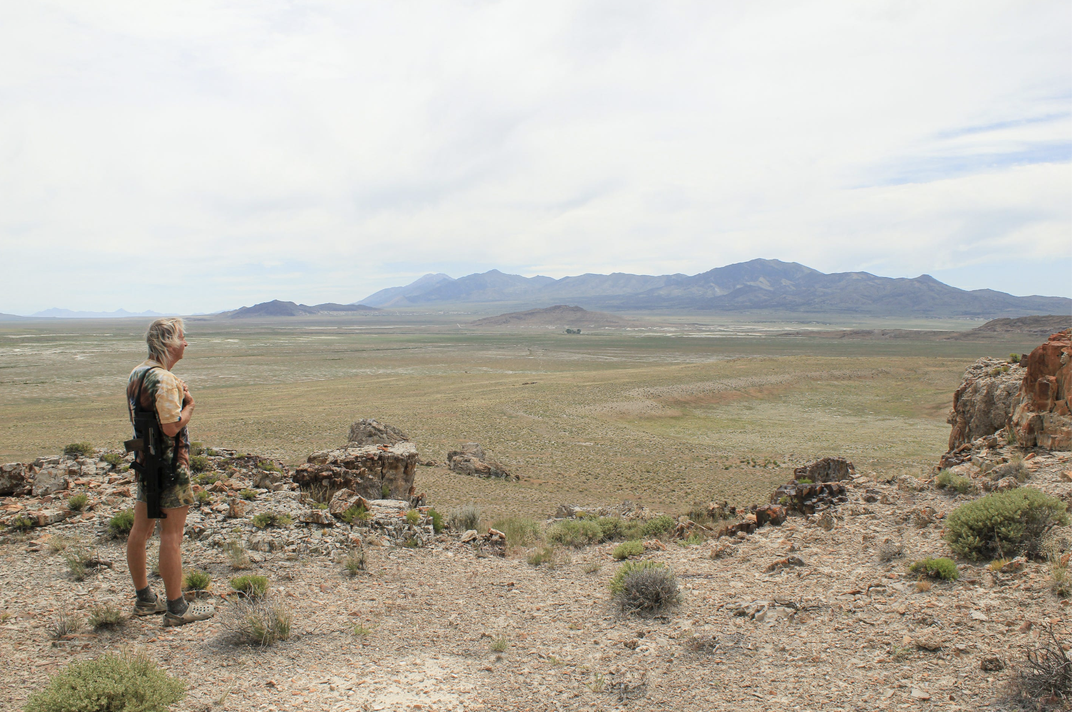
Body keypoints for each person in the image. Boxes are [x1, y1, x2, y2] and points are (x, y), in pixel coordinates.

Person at [125, 317, 215, 626]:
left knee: (141, 529)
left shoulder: (138, 373)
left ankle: (145, 599)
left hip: (146, 463)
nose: (185, 343)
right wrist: (189, 404)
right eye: (181, 337)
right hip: (171, 466)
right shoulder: (162, 378)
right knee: (172, 535)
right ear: (167, 342)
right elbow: (171, 425)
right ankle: (177, 608)